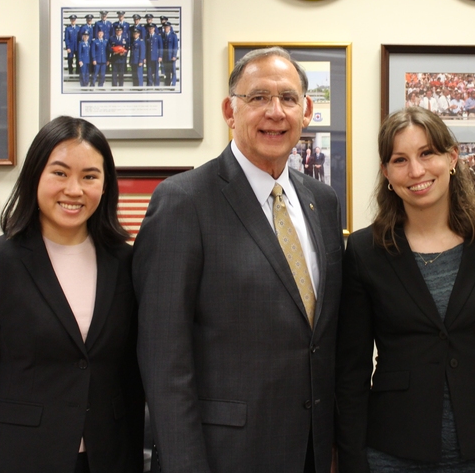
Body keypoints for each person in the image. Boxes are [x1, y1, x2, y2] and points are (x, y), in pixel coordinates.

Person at [132, 47, 344, 472]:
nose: (275, 111)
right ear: (230, 110)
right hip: (221, 456)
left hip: (311, 451)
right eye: (259, 97)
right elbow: (162, 356)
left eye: (288, 98)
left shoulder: (322, 200)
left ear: (307, 110)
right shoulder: (182, 201)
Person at [0, 116, 144, 473]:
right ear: (35, 175)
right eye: (60, 173)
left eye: (90, 176)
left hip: (109, 458)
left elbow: (131, 379)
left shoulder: (127, 263)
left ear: (106, 185)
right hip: (18, 458)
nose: (74, 190)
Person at [335, 106, 475, 473]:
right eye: (400, 160)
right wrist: (351, 457)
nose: (416, 171)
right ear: (386, 173)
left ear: (452, 157)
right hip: (392, 449)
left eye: (427, 153)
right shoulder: (364, 251)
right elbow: (351, 368)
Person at [162, 20, 179, 85]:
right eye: (165, 27)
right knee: (167, 71)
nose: (166, 28)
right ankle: (167, 83)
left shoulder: (173, 35)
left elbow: (175, 46)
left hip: (171, 56)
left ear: (169, 27)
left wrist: (174, 55)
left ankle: (173, 83)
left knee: (173, 70)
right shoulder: (163, 36)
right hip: (165, 56)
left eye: (167, 27)